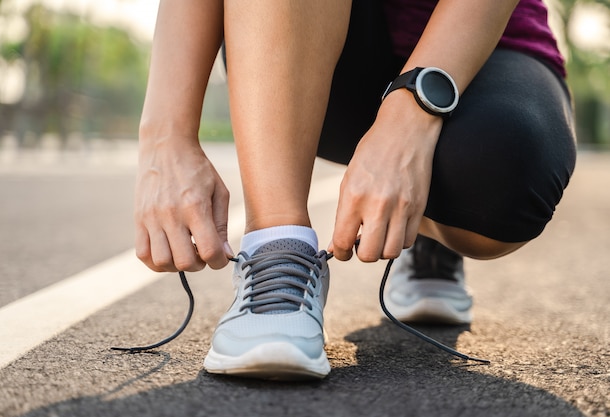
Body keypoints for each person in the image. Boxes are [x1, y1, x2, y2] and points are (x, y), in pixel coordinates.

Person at [134, 0, 577, 380]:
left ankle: (422, 230)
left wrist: (410, 119)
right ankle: (278, 249)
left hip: (484, 46)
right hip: (305, 42)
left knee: (502, 179)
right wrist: (166, 137)